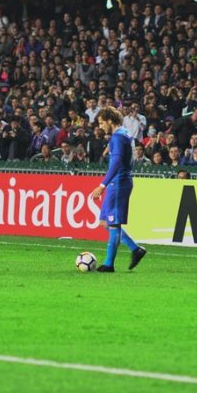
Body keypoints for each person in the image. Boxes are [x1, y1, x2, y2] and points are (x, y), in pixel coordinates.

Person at [89, 106, 147, 273]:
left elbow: (117, 163)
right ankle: (135, 249)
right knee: (105, 222)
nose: (100, 127)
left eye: (102, 123)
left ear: (110, 120)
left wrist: (102, 185)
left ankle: (109, 264)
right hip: (120, 181)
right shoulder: (125, 133)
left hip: (119, 183)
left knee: (113, 223)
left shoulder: (118, 137)